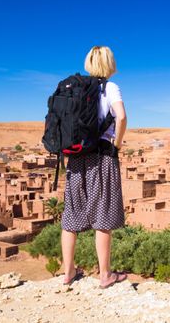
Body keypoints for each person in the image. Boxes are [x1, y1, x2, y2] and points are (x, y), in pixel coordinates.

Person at [60, 46, 128, 288]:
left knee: (72, 215)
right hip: (102, 154)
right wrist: (116, 145)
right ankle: (105, 275)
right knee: (103, 215)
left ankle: (68, 273)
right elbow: (120, 117)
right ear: (110, 64)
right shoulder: (110, 87)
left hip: (77, 157)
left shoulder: (74, 88)